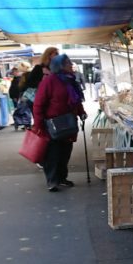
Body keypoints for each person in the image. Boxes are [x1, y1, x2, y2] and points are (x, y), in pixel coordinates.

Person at [33, 54, 86, 191]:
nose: (71, 65)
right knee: (53, 153)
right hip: (53, 123)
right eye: (68, 63)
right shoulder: (49, 81)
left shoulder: (70, 80)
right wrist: (38, 125)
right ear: (60, 66)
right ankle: (52, 180)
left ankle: (62, 178)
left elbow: (76, 100)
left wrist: (81, 112)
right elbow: (38, 104)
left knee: (65, 151)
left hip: (69, 121)